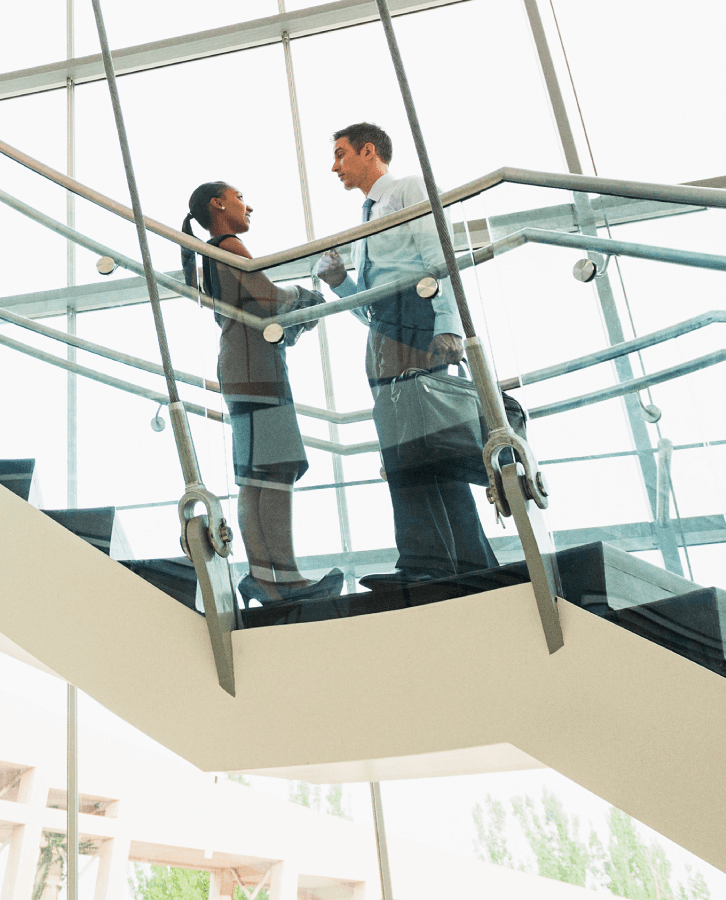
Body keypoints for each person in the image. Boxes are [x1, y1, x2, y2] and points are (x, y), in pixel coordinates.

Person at [314, 122, 500, 583]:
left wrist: (449, 323)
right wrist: (341, 285)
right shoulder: (368, 215)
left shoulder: (406, 190)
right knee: (407, 449)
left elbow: (439, 255)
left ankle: (435, 562)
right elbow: (374, 306)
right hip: (387, 332)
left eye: (341, 154)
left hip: (418, 322)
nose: (334, 165)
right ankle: (456, 562)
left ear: (368, 151)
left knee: (427, 445)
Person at [182, 181, 343, 607]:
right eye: (238, 197)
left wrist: (294, 317)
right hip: (257, 369)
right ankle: (283, 578)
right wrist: (306, 299)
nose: (247, 204)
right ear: (218, 204)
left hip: (242, 367)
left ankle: (264, 576)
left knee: (258, 475)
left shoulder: (212, 254)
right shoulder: (230, 245)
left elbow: (256, 310)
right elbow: (268, 298)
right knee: (277, 468)